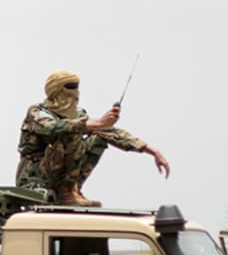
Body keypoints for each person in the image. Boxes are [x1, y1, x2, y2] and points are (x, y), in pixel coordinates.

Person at [15, 69, 170, 206]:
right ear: (55, 89)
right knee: (70, 133)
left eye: (77, 87)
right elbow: (53, 127)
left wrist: (151, 151)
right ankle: (66, 191)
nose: (75, 92)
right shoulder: (36, 112)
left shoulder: (78, 115)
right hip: (34, 179)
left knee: (99, 136)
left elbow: (108, 131)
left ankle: (72, 189)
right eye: (70, 87)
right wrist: (98, 122)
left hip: (59, 178)